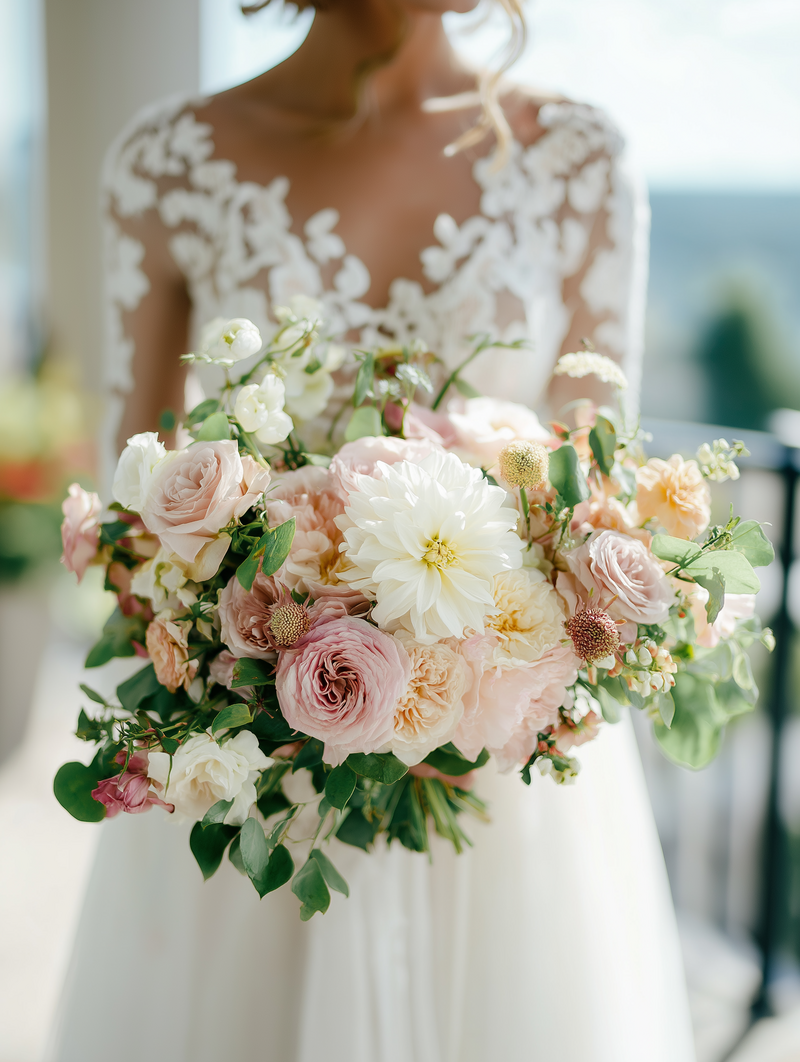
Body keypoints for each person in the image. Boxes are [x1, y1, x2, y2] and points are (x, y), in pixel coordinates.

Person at [50, 2, 695, 1059]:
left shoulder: (576, 159)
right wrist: (260, 632)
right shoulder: (169, 163)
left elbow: (595, 491)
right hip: (250, 764)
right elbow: (137, 508)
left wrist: (482, 662)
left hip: (495, 754)